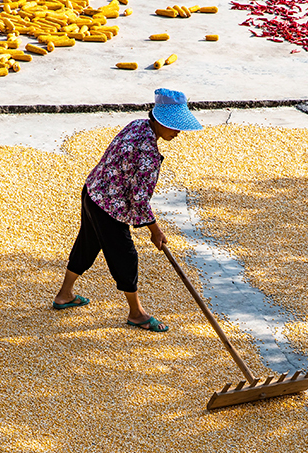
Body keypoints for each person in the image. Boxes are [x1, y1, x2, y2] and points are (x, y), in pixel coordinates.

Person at [52, 88, 203, 332]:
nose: (178, 132)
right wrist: (156, 231)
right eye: (175, 126)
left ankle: (64, 294)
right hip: (109, 207)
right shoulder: (149, 154)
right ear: (160, 121)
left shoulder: (138, 125)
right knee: (126, 256)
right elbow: (139, 199)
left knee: (87, 244)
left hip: (92, 191)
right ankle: (136, 313)